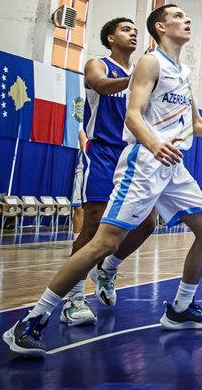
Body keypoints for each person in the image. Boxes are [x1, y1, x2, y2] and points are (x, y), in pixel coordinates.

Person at [3, 4, 202, 357]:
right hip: (145, 162)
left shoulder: (184, 73)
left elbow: (195, 125)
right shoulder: (150, 63)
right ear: (160, 27)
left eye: (187, 16)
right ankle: (32, 320)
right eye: (178, 16)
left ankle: (181, 308)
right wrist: (153, 144)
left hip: (173, 165)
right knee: (103, 241)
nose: (186, 20)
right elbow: (132, 115)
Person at [60, 18, 158, 327]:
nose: (133, 33)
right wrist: (137, 80)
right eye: (126, 29)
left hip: (133, 154)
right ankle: (74, 298)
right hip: (103, 152)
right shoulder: (98, 64)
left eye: (135, 30)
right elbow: (100, 85)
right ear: (110, 38)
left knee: (147, 223)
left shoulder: (141, 72)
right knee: (92, 228)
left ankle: (109, 268)